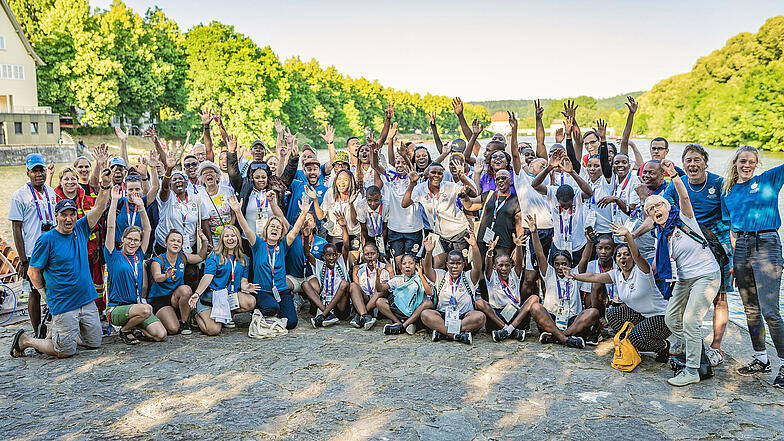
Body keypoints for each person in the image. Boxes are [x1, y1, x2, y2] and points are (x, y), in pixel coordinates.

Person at [10, 169, 111, 358]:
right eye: (64, 215)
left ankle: (60, 333)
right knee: (65, 352)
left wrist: (104, 185)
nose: (68, 218)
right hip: (63, 303)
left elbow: (99, 208)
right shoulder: (46, 239)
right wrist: (45, 295)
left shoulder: (80, 228)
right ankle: (26, 341)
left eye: (72, 214)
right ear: (56, 216)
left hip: (86, 299)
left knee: (94, 343)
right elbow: (33, 272)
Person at [646, 160, 721, 386]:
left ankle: (692, 370)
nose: (656, 210)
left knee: (690, 320)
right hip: (685, 279)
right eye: (651, 209)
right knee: (671, 319)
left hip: (706, 275)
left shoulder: (684, 219)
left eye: (659, 205)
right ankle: (699, 354)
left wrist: (675, 175)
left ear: (668, 206)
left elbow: (685, 197)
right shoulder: (662, 237)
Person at [662, 144, 731, 366]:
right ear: (683, 165)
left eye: (697, 160)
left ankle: (716, 348)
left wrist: (732, 254)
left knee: (720, 298)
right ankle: (688, 341)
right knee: (684, 299)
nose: (692, 165)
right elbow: (663, 210)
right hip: (688, 253)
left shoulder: (719, 184)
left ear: (705, 163)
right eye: (688, 161)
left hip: (716, 249)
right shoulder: (676, 185)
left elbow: (730, 218)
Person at [722, 145, 784, 388]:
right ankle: (761, 357)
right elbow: (732, 229)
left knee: (770, 311)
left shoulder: (769, 180)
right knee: (750, 308)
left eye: (751, 161)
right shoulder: (728, 193)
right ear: (735, 163)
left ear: (757, 164)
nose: (746, 165)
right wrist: (735, 262)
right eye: (742, 161)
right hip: (741, 248)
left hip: (767, 243)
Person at [568, 223, 670, 362]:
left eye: (627, 255)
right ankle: (634, 341)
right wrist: (574, 276)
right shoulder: (617, 274)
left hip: (661, 318)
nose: (623, 258)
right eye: (619, 255)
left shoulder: (642, 270)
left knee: (636, 338)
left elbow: (638, 255)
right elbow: (594, 277)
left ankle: (662, 346)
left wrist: (628, 236)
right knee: (613, 315)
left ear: (632, 258)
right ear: (615, 260)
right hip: (641, 317)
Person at [230, 194, 311, 329]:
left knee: (291, 323)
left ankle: (272, 316)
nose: (275, 229)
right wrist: (238, 211)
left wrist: (303, 213)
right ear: (266, 230)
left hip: (281, 291)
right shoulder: (258, 244)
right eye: (272, 226)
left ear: (281, 234)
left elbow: (295, 230)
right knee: (271, 308)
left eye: (278, 228)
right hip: (263, 291)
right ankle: (262, 311)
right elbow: (246, 229)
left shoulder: (283, 246)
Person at [519, 214, 600, 349]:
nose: (561, 267)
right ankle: (567, 339)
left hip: (572, 320)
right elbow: (539, 254)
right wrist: (534, 233)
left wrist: (590, 242)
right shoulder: (549, 273)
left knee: (593, 313)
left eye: (564, 263)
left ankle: (557, 337)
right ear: (553, 265)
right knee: (535, 307)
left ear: (570, 264)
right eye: (557, 264)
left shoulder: (575, 274)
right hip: (551, 320)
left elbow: (584, 259)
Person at [104, 186, 166, 344]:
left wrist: (141, 206)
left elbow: (148, 228)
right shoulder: (113, 255)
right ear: (123, 239)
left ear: (140, 243)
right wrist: (114, 201)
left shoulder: (139, 254)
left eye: (136, 240)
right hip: (117, 308)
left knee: (160, 335)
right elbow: (110, 227)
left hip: (136, 307)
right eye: (129, 239)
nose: (132, 243)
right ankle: (124, 330)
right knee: (147, 309)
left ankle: (133, 327)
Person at [9, 153, 58, 337]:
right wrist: (23, 260)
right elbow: (16, 229)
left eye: (42, 170)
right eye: (35, 171)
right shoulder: (19, 196)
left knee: (53, 286)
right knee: (34, 291)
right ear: (28, 172)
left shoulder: (50, 192)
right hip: (32, 252)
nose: (39, 174)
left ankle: (53, 323)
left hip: (52, 249)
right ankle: (37, 329)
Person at [190, 226, 258, 335]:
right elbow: (207, 277)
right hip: (211, 297)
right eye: (226, 236)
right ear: (222, 239)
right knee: (213, 330)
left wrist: (246, 286)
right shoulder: (214, 256)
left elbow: (243, 281)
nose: (230, 239)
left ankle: (227, 314)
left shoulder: (244, 259)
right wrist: (197, 293)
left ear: (238, 238)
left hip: (228, 296)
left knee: (250, 302)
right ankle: (196, 315)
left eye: (233, 235)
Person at [403, 163, 473, 268]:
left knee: (463, 264)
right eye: (433, 172)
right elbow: (405, 203)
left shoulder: (450, 186)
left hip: (459, 232)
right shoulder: (420, 188)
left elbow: (474, 193)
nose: (436, 175)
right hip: (440, 235)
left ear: (443, 176)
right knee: (438, 265)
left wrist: (462, 177)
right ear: (427, 174)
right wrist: (412, 183)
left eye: (440, 173)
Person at [420, 232, 485, 344]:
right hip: (444, 316)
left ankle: (443, 333)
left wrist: (474, 247)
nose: (455, 266)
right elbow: (427, 270)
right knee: (425, 314)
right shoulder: (440, 275)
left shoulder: (469, 276)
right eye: (452, 263)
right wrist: (429, 252)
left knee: (480, 317)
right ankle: (457, 335)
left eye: (458, 263)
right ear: (446, 264)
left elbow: (478, 267)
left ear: (463, 265)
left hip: (464, 317)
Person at [155, 157, 210, 289]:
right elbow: (164, 188)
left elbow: (203, 220)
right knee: (169, 277)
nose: (178, 181)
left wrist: (209, 243)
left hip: (187, 246)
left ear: (186, 183)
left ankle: (191, 303)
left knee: (192, 274)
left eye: (181, 179)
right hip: (166, 246)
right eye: (174, 180)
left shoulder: (195, 199)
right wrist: (169, 169)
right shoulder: (166, 199)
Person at [148, 229, 209, 335]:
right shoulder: (158, 260)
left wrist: (204, 241)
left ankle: (185, 322)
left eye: (178, 241)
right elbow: (157, 277)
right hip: (160, 299)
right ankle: (157, 316)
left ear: (181, 245)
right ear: (166, 243)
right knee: (173, 329)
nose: (175, 243)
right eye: (172, 240)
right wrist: (166, 276)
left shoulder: (182, 256)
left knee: (186, 289)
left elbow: (200, 257)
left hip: (175, 297)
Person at [474, 233, 528, 342]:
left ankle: (506, 331)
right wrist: (489, 252)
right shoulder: (491, 275)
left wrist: (518, 246)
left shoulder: (514, 274)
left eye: (507, 265)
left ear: (511, 266)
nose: (504, 268)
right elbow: (487, 265)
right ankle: (508, 330)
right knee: (479, 302)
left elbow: (518, 263)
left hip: (515, 315)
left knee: (534, 299)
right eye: (500, 265)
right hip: (496, 316)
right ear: (495, 267)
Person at [302, 213, 351, 327]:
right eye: (328, 255)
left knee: (344, 284)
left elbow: (346, 246)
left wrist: (343, 227)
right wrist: (305, 237)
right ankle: (327, 313)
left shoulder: (341, 262)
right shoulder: (319, 265)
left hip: (340, 307)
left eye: (334, 255)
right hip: (324, 302)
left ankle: (323, 315)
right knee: (305, 284)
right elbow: (307, 253)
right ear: (323, 256)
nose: (332, 258)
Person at [462, 169, 522, 258]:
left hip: (503, 244)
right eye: (498, 179)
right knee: (482, 269)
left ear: (510, 180)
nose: (500, 180)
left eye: (504, 178)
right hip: (483, 241)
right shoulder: (489, 195)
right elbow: (469, 206)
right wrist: (465, 197)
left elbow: (519, 225)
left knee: (500, 270)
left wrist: (518, 247)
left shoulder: (516, 200)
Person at [375, 255, 433, 335]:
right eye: (404, 263)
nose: (407, 266)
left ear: (416, 265)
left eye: (411, 263)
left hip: (416, 313)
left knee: (428, 303)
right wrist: (377, 276)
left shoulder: (421, 277)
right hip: (400, 312)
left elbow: (430, 293)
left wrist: (421, 275)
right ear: (401, 267)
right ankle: (399, 324)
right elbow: (380, 289)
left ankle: (402, 327)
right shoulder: (398, 279)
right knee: (380, 301)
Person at [349, 242, 393, 330]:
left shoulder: (385, 268)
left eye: (372, 253)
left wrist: (391, 272)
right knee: (353, 285)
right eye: (367, 254)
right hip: (365, 298)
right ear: (363, 256)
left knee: (382, 286)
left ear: (377, 254)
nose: (370, 256)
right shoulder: (360, 268)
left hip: (379, 300)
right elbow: (357, 290)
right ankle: (365, 316)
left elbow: (392, 287)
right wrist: (354, 275)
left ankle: (361, 315)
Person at [197, 161, 235, 241]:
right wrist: (209, 241)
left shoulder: (228, 191)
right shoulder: (199, 196)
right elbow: (202, 221)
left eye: (211, 172)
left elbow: (234, 215)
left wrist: (228, 232)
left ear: (217, 176)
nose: (208, 174)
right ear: (201, 179)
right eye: (204, 173)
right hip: (211, 238)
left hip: (229, 235)